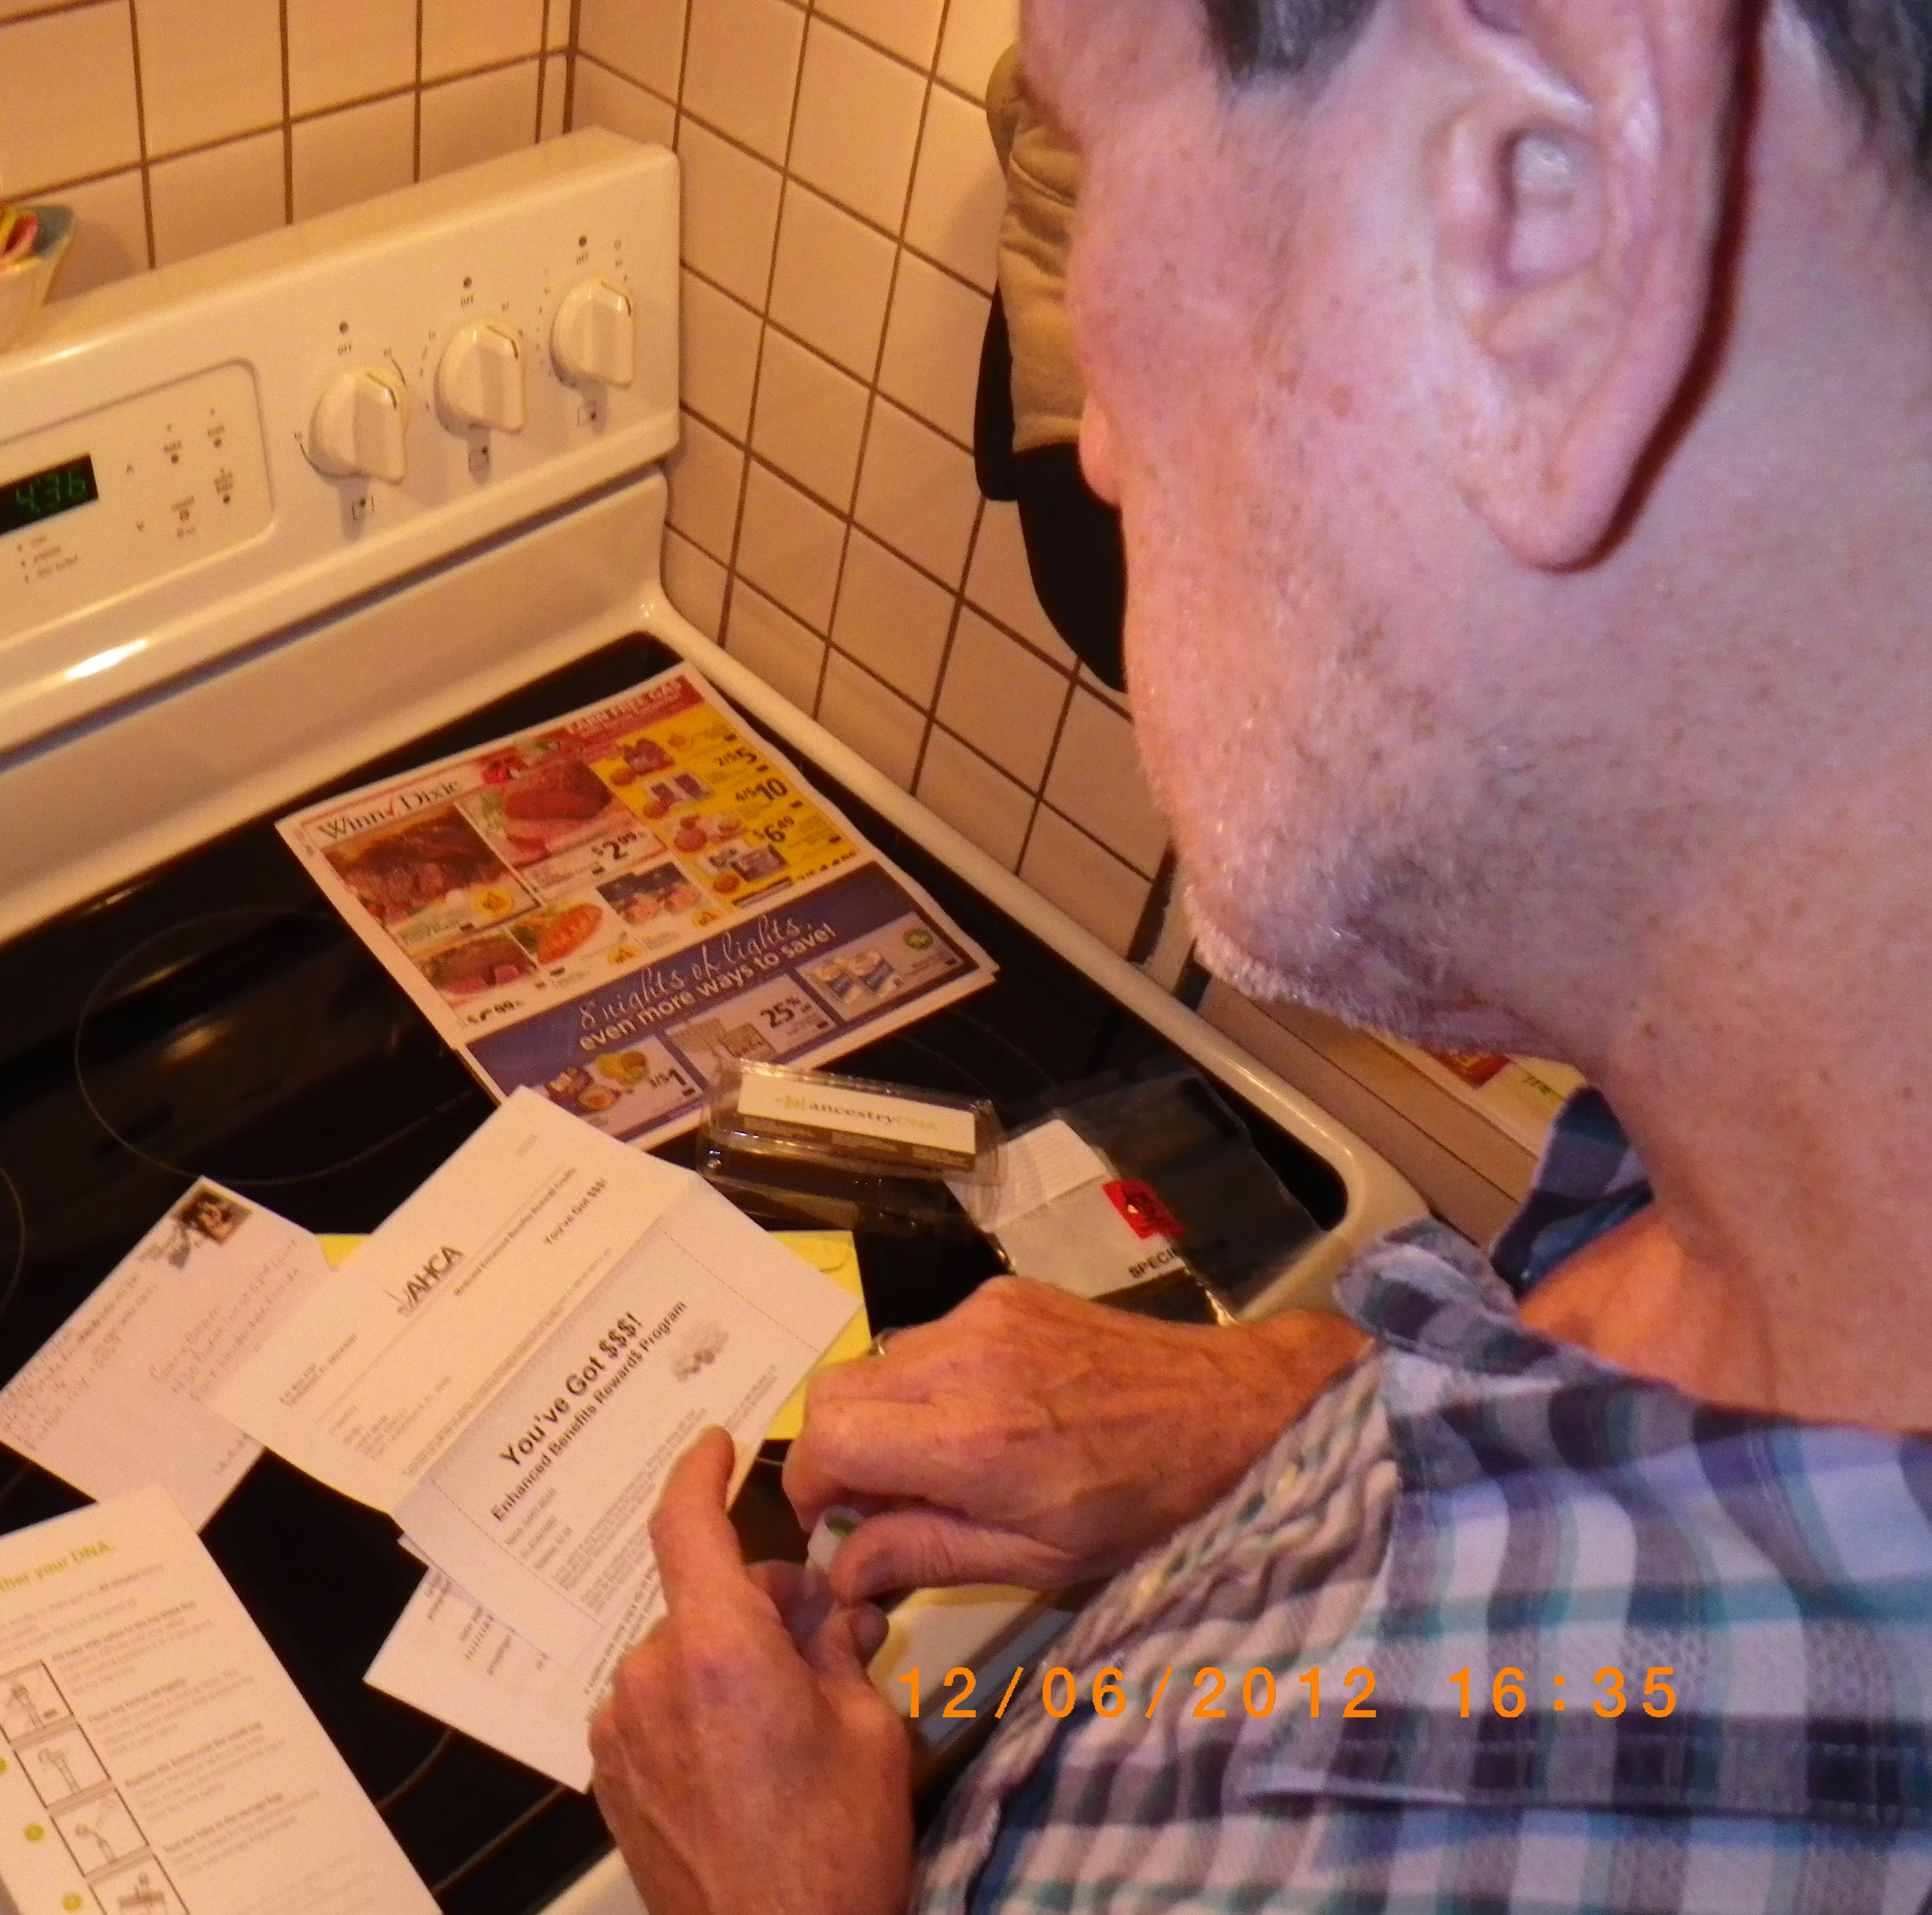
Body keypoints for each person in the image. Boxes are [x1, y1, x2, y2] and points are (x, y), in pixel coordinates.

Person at [590, 0, 1932, 1907]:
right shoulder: (1740, 1101)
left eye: (1099, 155)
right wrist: (1298, 1405)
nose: (1105, 449)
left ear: (1544, 205)